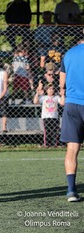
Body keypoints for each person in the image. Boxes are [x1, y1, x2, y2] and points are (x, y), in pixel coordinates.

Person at [59, 38, 84, 202]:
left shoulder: (69, 54)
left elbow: (62, 84)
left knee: (72, 148)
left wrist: (64, 96)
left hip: (72, 104)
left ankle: (71, 191)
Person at [33, 82, 65, 147]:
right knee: (47, 131)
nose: (51, 90)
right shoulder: (44, 97)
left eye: (52, 89)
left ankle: (54, 144)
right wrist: (37, 93)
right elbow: (35, 102)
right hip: (46, 117)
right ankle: (47, 144)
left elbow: (62, 103)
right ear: (46, 90)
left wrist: (62, 95)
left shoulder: (56, 97)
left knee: (54, 131)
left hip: (54, 117)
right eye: (49, 89)